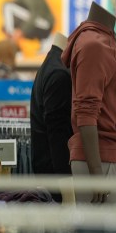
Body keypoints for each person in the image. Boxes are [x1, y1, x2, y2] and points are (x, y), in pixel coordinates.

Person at [61, 2, 116, 204]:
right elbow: (85, 109)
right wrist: (97, 172)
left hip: (107, 159)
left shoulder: (101, 40)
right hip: (102, 159)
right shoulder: (95, 44)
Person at [30, 32, 73, 183]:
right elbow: (58, 135)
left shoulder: (50, 65)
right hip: (55, 177)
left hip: (47, 172)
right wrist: (66, 182)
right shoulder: (59, 72)